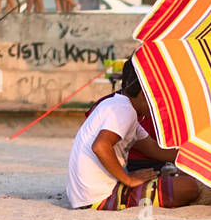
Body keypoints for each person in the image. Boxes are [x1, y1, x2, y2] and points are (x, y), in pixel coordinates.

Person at [66, 59, 201, 210]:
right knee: (188, 188)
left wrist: (196, 158)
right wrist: (128, 180)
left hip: (85, 195)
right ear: (145, 93)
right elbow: (100, 147)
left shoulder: (120, 106)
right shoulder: (124, 110)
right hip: (99, 197)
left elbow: (154, 149)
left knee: (174, 179)